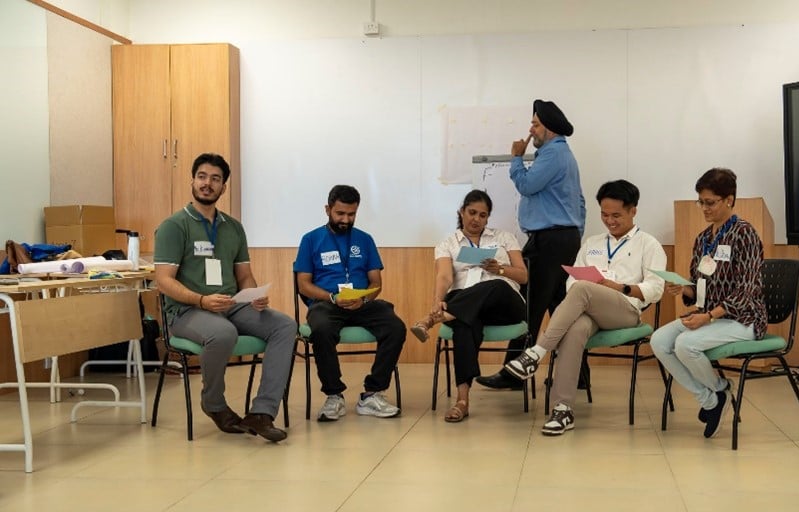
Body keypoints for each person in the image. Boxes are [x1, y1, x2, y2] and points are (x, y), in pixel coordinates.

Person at [502, 180, 666, 435]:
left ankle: (535, 353)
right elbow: (571, 283)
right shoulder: (591, 243)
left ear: (633, 210)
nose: (609, 221)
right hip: (590, 310)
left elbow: (656, 290)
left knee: (583, 289)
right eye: (604, 214)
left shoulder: (649, 244)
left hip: (626, 311)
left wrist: (618, 287)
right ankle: (562, 410)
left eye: (616, 215)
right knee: (576, 328)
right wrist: (593, 289)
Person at [154, 152, 296, 442]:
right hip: (186, 311)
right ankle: (214, 403)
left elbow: (244, 276)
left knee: (285, 326)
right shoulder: (174, 226)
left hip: (232, 305)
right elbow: (163, 280)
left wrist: (255, 296)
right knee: (222, 333)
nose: (208, 183)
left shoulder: (233, 228)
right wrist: (202, 301)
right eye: (202, 176)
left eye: (215, 179)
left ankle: (262, 413)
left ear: (223, 187)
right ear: (192, 180)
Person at [476, 99, 587, 391]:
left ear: (548, 128)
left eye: (535, 124)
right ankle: (579, 376)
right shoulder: (563, 155)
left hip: (549, 240)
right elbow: (580, 203)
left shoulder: (552, 154)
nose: (530, 129)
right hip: (560, 238)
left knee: (528, 305)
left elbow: (526, 186)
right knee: (558, 305)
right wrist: (573, 234)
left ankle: (512, 375)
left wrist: (516, 158)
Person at [650, 168, 767, 439]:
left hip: (744, 318)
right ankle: (713, 396)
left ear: (729, 199)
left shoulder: (745, 234)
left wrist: (709, 317)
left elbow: (747, 290)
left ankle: (714, 395)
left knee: (685, 345)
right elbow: (699, 284)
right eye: (700, 202)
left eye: (710, 202)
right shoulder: (704, 238)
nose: (704, 208)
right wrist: (685, 289)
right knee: (659, 341)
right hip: (709, 314)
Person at [410, 190, 528, 422]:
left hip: (504, 303)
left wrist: (500, 269)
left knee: (495, 285)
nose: (476, 219)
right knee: (464, 322)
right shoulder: (447, 244)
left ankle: (432, 319)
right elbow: (444, 277)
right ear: (461, 212)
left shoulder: (504, 238)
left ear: (487, 218)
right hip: (464, 302)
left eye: (483, 215)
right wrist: (437, 300)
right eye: (472, 213)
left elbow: (523, 276)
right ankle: (462, 401)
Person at [294, 185, 405, 421]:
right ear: (328, 209)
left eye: (351, 214)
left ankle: (372, 393)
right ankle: (334, 396)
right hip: (327, 302)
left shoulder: (365, 240)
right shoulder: (311, 239)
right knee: (321, 329)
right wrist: (332, 297)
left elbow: (376, 281)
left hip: (361, 302)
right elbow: (303, 284)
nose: (346, 219)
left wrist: (363, 298)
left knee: (395, 327)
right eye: (340, 214)